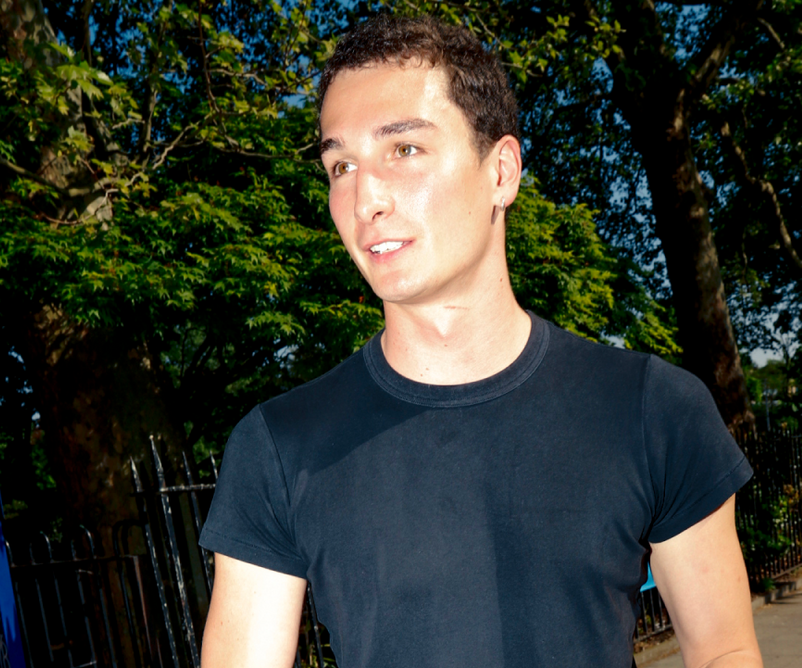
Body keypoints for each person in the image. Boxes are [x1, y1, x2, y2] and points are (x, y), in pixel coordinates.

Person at [199, 14, 761, 668]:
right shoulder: (278, 447)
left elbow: (723, 650)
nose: (364, 198)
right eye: (341, 165)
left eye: (404, 150)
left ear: (502, 172)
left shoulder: (652, 410)